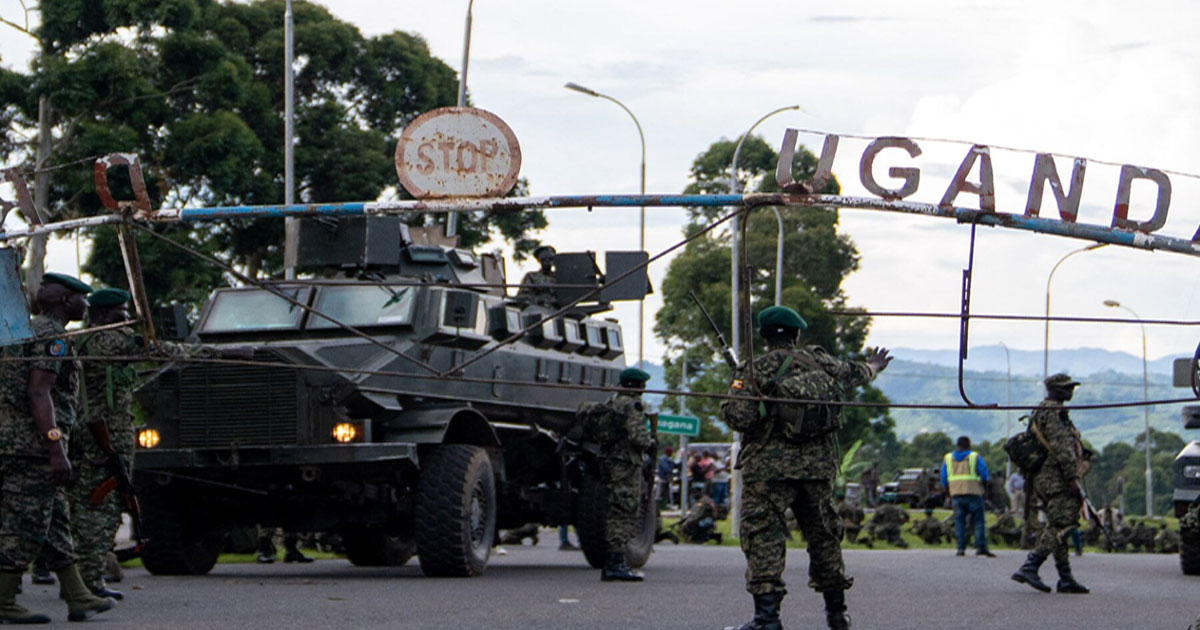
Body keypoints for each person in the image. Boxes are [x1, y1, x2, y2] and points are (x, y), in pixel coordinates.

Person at [720, 305, 890, 630]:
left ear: (764, 336)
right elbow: (856, 373)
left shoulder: (752, 368)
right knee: (823, 536)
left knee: (763, 537)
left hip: (768, 472)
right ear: (796, 334)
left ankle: (766, 619)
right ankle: (837, 614)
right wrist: (874, 365)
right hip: (816, 468)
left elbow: (739, 418)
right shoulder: (818, 361)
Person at [0, 273, 116, 623]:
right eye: (83, 297)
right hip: (32, 446)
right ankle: (4, 600)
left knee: (55, 520)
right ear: (67, 301)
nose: (87, 303)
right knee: (25, 523)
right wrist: (55, 447)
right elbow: (40, 391)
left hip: (12, 440)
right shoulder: (54, 337)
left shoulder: (20, 329)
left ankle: (77, 594)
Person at [1011, 373, 1090, 594]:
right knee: (1063, 524)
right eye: (1066, 388)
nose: (1070, 391)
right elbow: (1062, 448)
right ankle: (1030, 566)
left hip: (1043, 479)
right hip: (1055, 478)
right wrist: (1072, 478)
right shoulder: (1054, 412)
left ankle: (1065, 578)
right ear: (1053, 390)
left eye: (1071, 387)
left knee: (1058, 524)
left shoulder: (1041, 411)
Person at [582, 367, 654, 582]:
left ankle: (615, 562)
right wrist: (649, 441)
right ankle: (615, 563)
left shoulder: (612, 401)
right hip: (625, 464)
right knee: (623, 512)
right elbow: (638, 437)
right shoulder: (631, 405)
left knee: (616, 509)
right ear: (637, 386)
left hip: (610, 461)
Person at [941, 435, 995, 557]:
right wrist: (985, 491)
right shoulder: (975, 457)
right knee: (978, 521)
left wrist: (947, 495)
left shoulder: (948, 458)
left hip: (955, 493)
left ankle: (961, 548)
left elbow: (944, 479)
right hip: (974, 493)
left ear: (957, 445)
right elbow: (985, 475)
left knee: (959, 521)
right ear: (969, 445)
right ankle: (980, 547)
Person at [656, 446, 676, 510]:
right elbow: (666, 469)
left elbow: (675, 465)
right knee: (659, 493)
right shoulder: (663, 459)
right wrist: (671, 473)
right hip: (662, 479)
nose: (672, 453)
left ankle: (664, 506)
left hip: (667, 480)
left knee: (666, 494)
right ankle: (657, 507)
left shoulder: (669, 459)